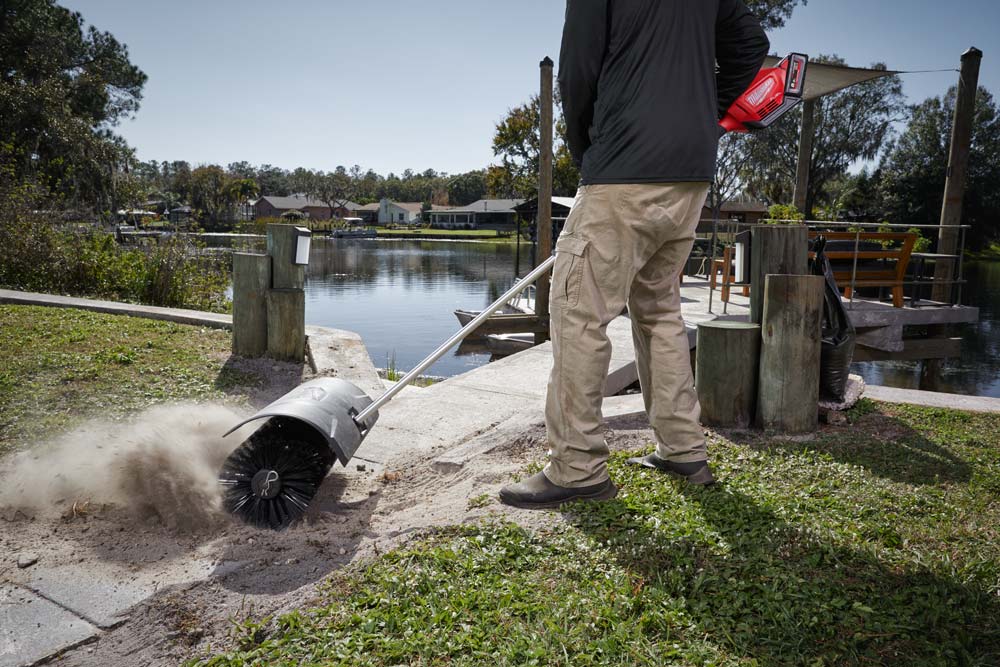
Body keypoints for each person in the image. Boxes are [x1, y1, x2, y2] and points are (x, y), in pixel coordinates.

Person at [500, 0, 769, 509]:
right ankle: (683, 450)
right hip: (690, 172)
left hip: (624, 164)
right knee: (659, 310)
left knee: (577, 312)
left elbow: (577, 73)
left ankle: (577, 467)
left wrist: (588, 150)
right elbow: (752, 45)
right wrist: (704, 113)